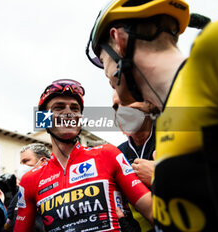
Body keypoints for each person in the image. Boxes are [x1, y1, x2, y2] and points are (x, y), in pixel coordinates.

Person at [86, 0, 218, 231]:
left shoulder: (217, 47)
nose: (105, 72)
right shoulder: (167, 117)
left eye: (103, 59)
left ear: (119, 41)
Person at [14, 79, 152, 232]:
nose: (68, 113)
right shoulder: (30, 180)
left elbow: (155, 213)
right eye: (58, 107)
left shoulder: (108, 154)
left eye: (75, 108)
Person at [113, 90, 155, 232]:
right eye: (116, 107)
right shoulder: (116, 154)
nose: (120, 112)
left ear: (149, 104)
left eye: (126, 102)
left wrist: (158, 175)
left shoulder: (173, 139)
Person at [6, 143, 51, 232]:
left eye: (26, 161)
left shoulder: (56, 189)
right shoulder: (21, 193)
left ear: (43, 161)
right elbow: (8, 224)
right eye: (21, 163)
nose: (22, 166)